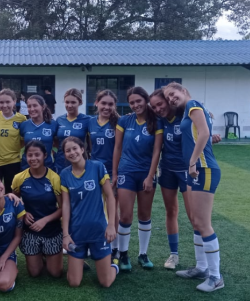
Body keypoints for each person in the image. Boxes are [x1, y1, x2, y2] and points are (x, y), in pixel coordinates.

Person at [149, 88, 222, 270]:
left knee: (194, 217)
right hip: (167, 170)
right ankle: (174, 254)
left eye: (161, 103)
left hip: (188, 170)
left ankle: (204, 264)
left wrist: (209, 136)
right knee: (171, 211)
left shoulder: (185, 114)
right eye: (155, 106)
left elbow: (198, 133)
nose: (158, 108)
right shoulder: (159, 121)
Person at [112, 86, 162, 272]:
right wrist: (115, 173)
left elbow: (157, 150)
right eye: (132, 102)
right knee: (125, 215)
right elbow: (117, 148)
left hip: (146, 174)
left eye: (138, 101)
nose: (135, 105)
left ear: (145, 100)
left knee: (144, 215)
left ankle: (143, 254)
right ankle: (123, 254)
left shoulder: (156, 121)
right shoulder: (124, 120)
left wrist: (150, 176)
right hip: (126, 172)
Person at [60, 136, 118, 287]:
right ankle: (79, 262)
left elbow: (110, 197)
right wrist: (65, 235)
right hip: (77, 232)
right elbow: (65, 206)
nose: (72, 152)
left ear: (82, 149)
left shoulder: (97, 167)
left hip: (99, 230)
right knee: (74, 282)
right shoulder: (65, 174)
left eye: (74, 148)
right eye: (68, 150)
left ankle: (114, 264)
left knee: (105, 282)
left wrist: (111, 225)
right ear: (64, 154)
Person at [12, 141, 63, 278]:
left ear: (45, 155)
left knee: (55, 273)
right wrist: (24, 213)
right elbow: (14, 203)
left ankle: (49, 255)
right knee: (34, 273)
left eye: (37, 155)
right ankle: (41, 254)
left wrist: (45, 220)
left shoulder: (54, 178)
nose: (33, 158)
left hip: (52, 229)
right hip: (30, 230)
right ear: (25, 157)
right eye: (29, 155)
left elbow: (63, 209)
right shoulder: (19, 178)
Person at [88, 89, 120, 257]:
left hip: (113, 172)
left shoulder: (119, 122)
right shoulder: (90, 122)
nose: (106, 107)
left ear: (115, 106)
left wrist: (115, 173)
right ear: (97, 104)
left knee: (113, 208)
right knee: (94, 208)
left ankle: (114, 247)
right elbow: (88, 147)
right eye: (103, 103)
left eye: (110, 104)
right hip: (94, 171)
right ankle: (92, 243)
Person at [0, 89, 27, 193]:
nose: (5, 105)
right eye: (1, 102)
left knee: (11, 192)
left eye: (8, 102)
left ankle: (10, 210)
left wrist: (13, 148)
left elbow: (23, 140)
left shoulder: (21, 119)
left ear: (14, 101)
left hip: (13, 161)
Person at [55, 89, 90, 174]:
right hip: (61, 163)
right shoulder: (59, 120)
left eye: (73, 102)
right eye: (67, 102)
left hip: (79, 163)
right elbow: (55, 142)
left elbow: (90, 143)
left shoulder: (87, 120)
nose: (69, 105)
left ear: (80, 102)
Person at [19, 95, 58, 171]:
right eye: (29, 106)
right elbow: (20, 144)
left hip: (47, 166)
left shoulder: (53, 124)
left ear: (43, 107)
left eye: (35, 105)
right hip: (27, 166)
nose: (32, 109)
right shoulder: (24, 125)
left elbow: (57, 144)